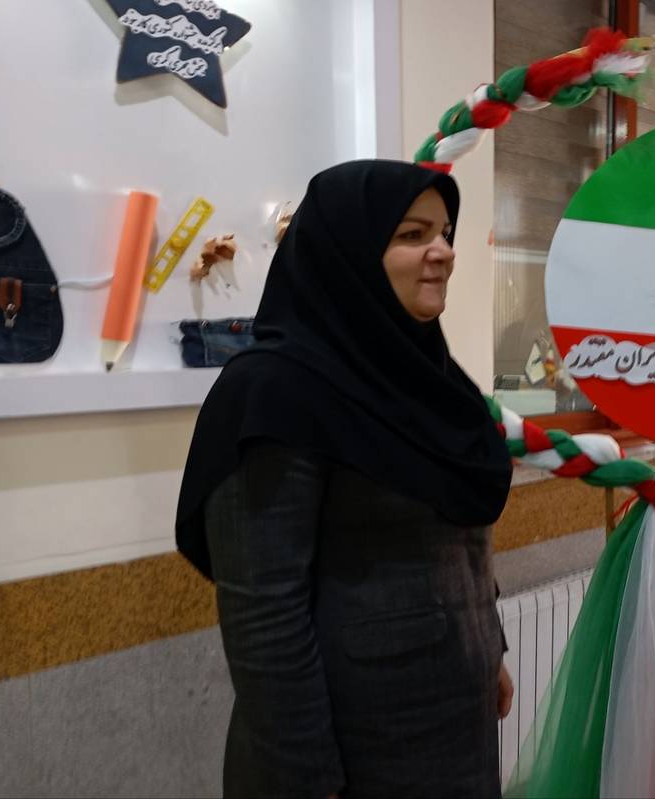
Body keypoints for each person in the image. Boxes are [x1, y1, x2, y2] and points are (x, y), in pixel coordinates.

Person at [174, 160, 515, 797]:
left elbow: (458, 531)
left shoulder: (432, 382)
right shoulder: (274, 390)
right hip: (352, 742)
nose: (443, 251)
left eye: (445, 233)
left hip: (451, 717)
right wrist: (307, 777)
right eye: (412, 235)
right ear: (349, 250)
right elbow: (265, 613)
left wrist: (486, 645)